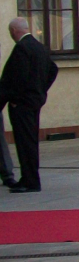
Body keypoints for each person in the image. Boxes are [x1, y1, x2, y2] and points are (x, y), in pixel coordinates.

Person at [0, 19, 58, 193]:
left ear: (13, 30)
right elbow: (53, 70)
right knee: (30, 141)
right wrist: (41, 90)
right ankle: (29, 178)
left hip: (22, 104)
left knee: (24, 143)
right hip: (34, 102)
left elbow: (15, 78)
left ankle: (30, 181)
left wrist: (13, 98)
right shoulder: (40, 47)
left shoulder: (21, 48)